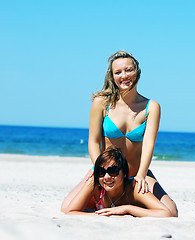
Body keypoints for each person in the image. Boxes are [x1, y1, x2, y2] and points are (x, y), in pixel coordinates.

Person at [61, 50, 178, 217]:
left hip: (136, 174)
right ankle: (114, 202)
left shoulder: (151, 107)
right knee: (67, 207)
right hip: (107, 172)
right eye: (118, 72)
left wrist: (142, 175)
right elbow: (93, 142)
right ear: (112, 76)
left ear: (137, 71)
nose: (124, 75)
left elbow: (148, 145)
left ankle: (128, 205)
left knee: (172, 212)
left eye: (129, 70)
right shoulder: (101, 103)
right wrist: (99, 171)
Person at [63, 148, 172, 217]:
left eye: (112, 171)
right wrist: (101, 214)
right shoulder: (95, 185)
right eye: (101, 172)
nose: (106, 177)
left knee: (173, 210)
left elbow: (165, 213)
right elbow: (70, 211)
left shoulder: (134, 189)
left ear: (124, 173)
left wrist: (127, 209)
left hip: (146, 178)